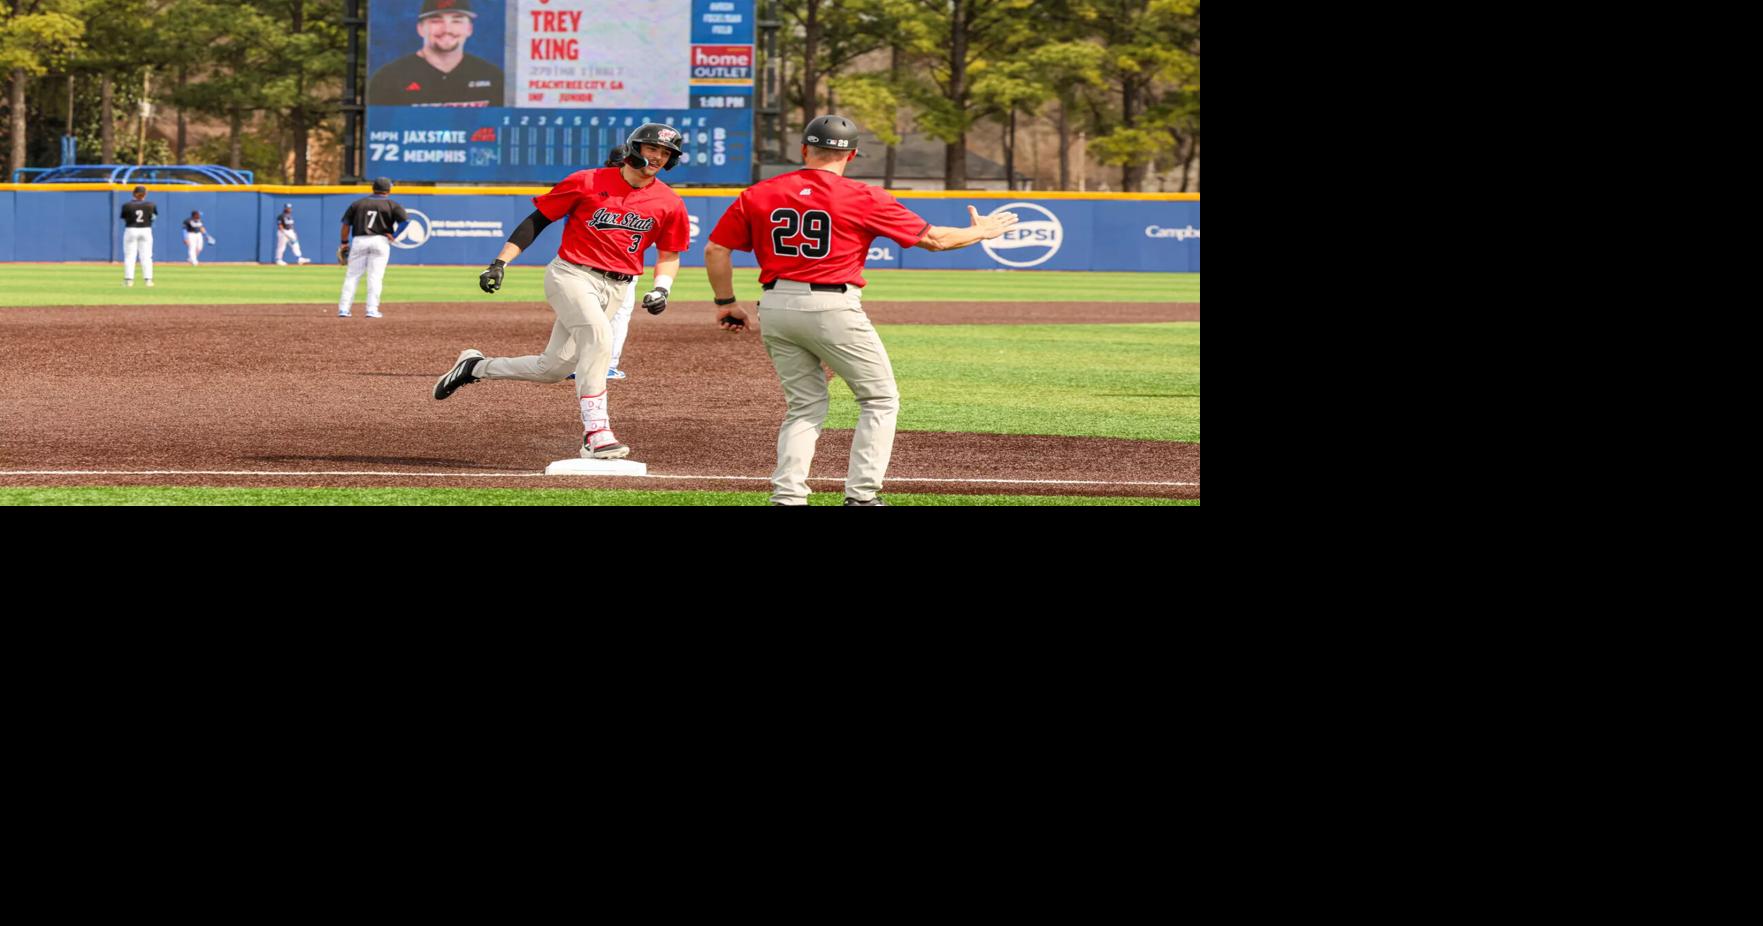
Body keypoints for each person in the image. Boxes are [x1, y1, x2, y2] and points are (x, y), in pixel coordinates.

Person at [705, 114, 1019, 507]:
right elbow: (936, 241)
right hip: (832, 304)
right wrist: (982, 232)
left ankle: (787, 496)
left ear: (804, 149)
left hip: (775, 303)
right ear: (851, 155)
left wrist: (725, 302)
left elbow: (716, 249)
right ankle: (862, 496)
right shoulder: (863, 196)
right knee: (879, 399)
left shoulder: (758, 192)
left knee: (804, 404)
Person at [432, 123, 691, 461]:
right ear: (634, 148)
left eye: (666, 153)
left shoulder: (669, 202)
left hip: (617, 286)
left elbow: (670, 254)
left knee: (551, 369)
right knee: (599, 339)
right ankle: (597, 433)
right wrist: (500, 262)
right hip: (571, 274)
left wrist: (662, 288)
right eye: (653, 148)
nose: (658, 157)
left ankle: (475, 368)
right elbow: (537, 220)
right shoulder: (588, 181)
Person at [567, 145, 639, 384]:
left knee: (583, 314)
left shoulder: (590, 183)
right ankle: (604, 365)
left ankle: (580, 363)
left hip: (594, 265)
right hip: (596, 264)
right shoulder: (630, 191)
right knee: (614, 315)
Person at [367, 0, 504, 107]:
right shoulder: (388, 79)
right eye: (436, 21)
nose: (447, 29)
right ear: (420, 29)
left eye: (456, 21)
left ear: (469, 29)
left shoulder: (493, 77)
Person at [337, 177, 408, 319]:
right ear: (388, 190)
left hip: (360, 240)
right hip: (380, 241)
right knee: (375, 277)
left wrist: (344, 242)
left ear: (373, 188)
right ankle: (372, 309)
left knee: (352, 276)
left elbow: (346, 225)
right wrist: (394, 235)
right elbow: (405, 221)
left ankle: (344, 309)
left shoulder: (358, 204)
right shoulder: (392, 204)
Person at [119, 185, 157, 287]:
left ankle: (129, 280)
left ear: (133, 193)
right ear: (145, 194)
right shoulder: (151, 205)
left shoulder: (127, 205)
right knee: (147, 256)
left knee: (129, 256)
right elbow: (154, 217)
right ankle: (148, 280)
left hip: (131, 229)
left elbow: (124, 217)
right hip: (146, 229)